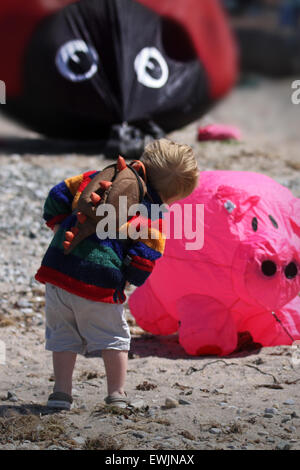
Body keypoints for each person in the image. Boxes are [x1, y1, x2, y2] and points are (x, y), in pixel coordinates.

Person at [34, 138, 199, 410]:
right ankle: (116, 395)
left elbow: (57, 195)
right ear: (170, 197)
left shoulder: (98, 176)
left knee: (63, 334)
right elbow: (142, 263)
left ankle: (60, 395)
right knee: (114, 339)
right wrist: (128, 275)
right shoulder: (153, 215)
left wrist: (58, 226)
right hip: (99, 283)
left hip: (57, 271)